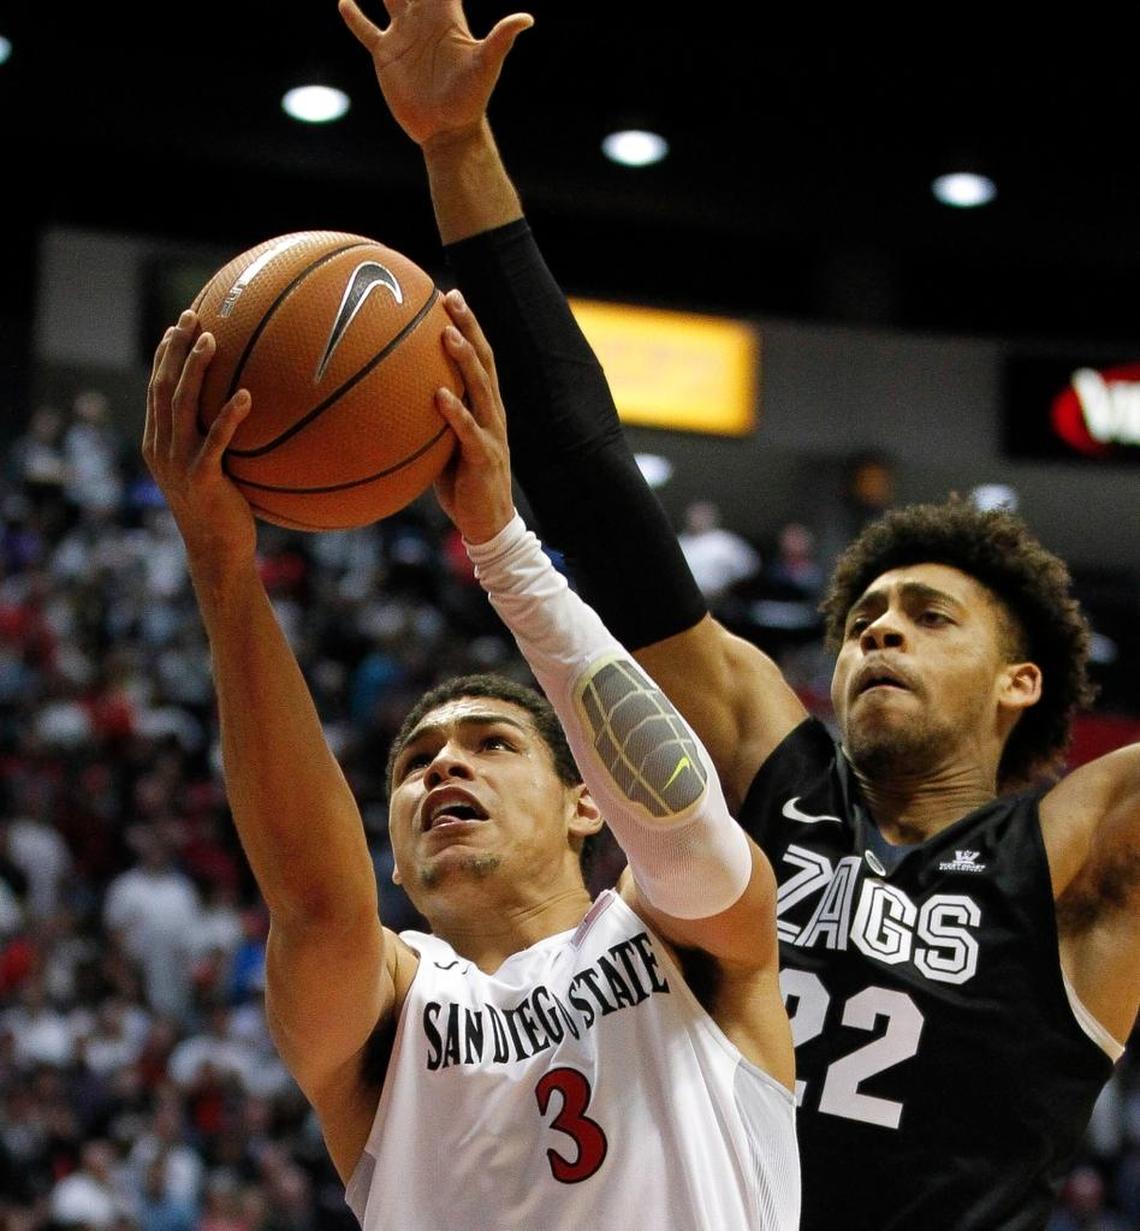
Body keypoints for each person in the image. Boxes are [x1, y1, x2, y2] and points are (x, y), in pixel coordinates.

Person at [337, 1, 1138, 1226]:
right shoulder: (779, 763)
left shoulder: (1075, 859)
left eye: (929, 616)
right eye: (867, 612)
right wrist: (456, 148)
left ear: (1022, 680)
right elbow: (609, 513)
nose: (878, 631)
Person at [141, 296, 800, 1225]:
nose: (443, 768)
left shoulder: (686, 944)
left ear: (588, 805)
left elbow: (685, 817)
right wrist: (220, 565)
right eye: (415, 762)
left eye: (493, 743)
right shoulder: (387, 1014)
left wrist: (505, 551)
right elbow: (319, 902)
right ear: (398, 859)